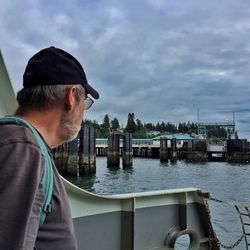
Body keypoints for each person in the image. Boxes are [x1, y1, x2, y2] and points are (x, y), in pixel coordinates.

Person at [0, 46, 99, 250]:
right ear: (71, 97)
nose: (84, 113)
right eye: (86, 103)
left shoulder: (22, 143)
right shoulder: (23, 149)